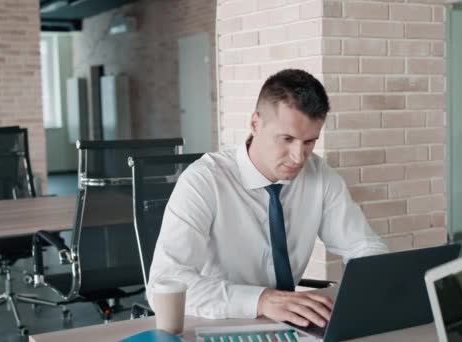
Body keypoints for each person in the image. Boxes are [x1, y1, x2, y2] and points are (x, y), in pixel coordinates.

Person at [148, 69, 388, 328]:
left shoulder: (319, 175)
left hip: (288, 326)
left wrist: (373, 280)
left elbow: (363, 246)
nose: (299, 156)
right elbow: (165, 281)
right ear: (255, 124)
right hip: (216, 322)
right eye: (287, 139)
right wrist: (261, 300)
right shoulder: (204, 181)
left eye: (309, 142)